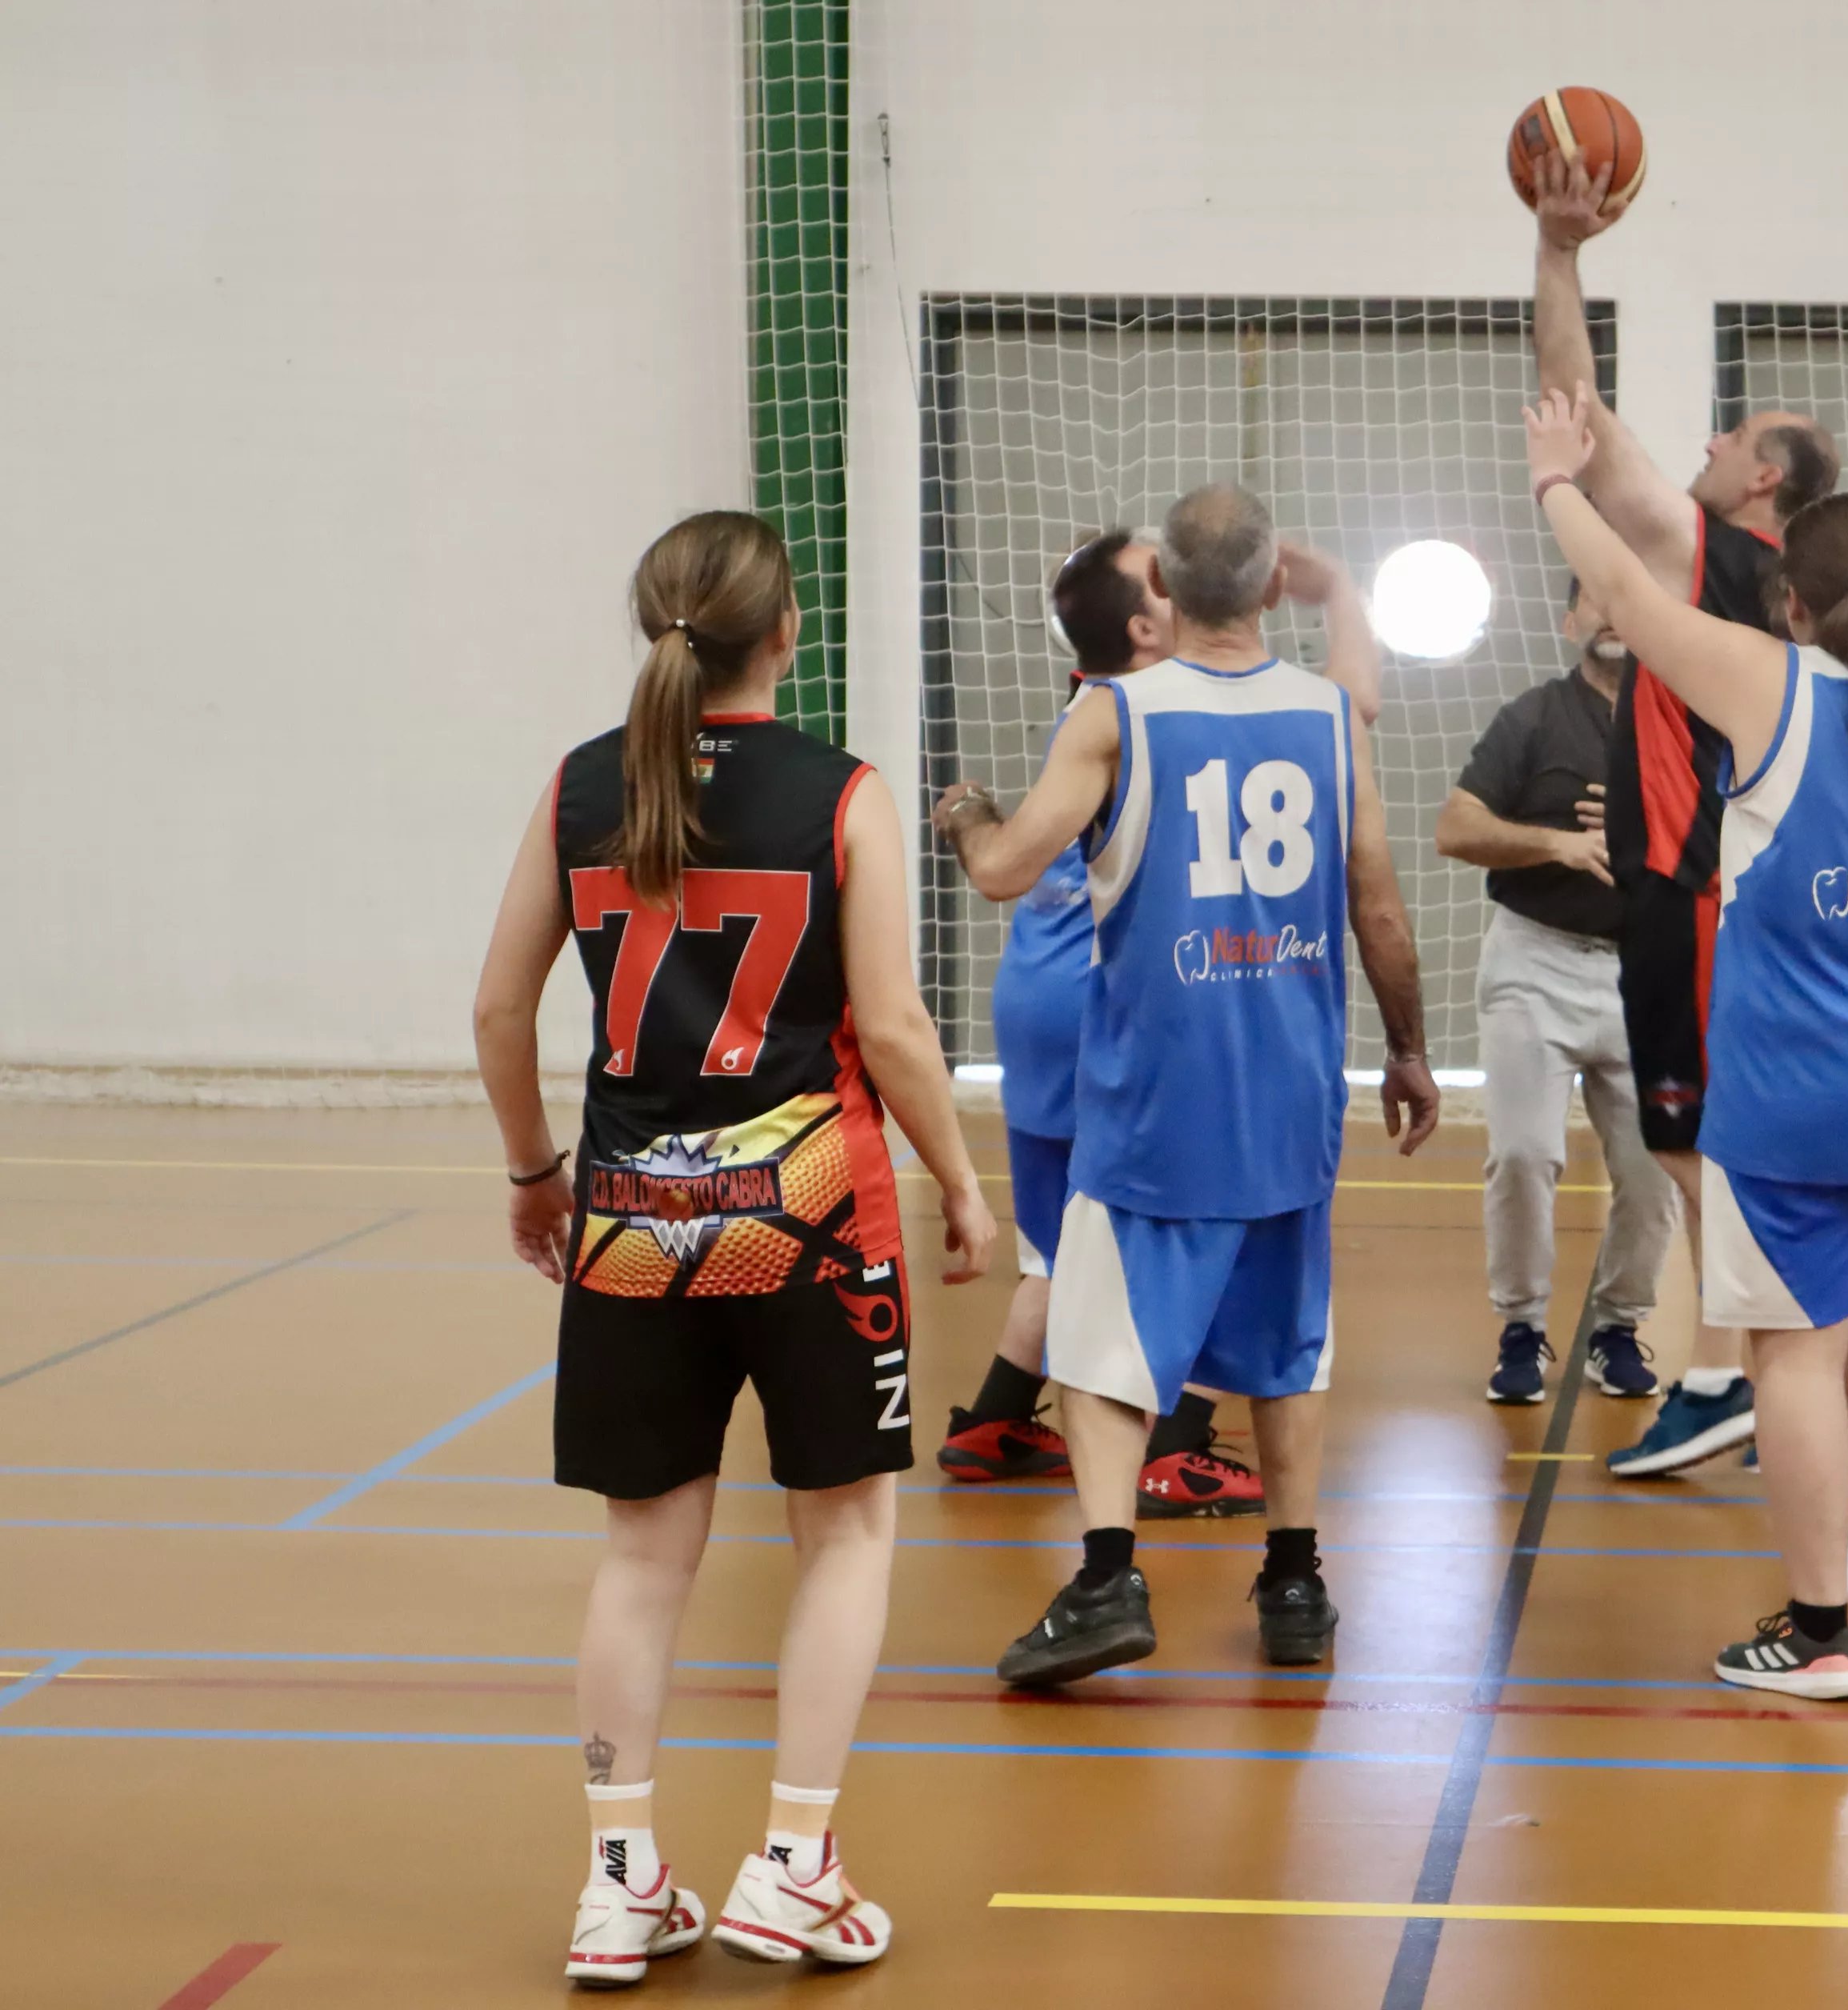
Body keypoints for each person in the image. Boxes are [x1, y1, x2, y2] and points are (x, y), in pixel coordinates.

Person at [474, 510, 995, 1982]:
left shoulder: (584, 784)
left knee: (643, 1552)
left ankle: (621, 1879)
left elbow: (498, 1011)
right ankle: (794, 1865)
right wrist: (959, 1178)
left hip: (630, 1228)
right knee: (843, 1532)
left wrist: (534, 1173)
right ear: (788, 633)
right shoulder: (843, 794)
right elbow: (888, 1027)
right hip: (814, 1222)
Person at [1525, 312, 1848, 1700]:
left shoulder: (1765, 687)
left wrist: (1557, 484)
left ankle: (1812, 1631)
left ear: (1785, 598)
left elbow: (1624, 598)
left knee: (1786, 1352)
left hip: (1798, 1092)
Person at [939, 483, 1439, 1684]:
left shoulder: (1117, 712)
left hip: (1159, 1096)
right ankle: (1297, 1581)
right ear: (1273, 587)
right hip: (1288, 1088)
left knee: (1104, 1350)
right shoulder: (1330, 715)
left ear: (1160, 587)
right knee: (1288, 1349)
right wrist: (1411, 1049)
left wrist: (967, 818)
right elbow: (1377, 901)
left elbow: (1008, 870)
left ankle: (1109, 1577)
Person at [1530, 146, 1842, 1477]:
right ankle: (1754, 1366)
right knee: (1696, 1140)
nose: (1711, 443)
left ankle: (1731, 1370)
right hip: (1719, 886)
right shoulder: (1773, 583)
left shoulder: (1720, 557)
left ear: (1766, 480)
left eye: (1733, 438)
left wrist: (1556, 252)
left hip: (1697, 884)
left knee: (1692, 1140)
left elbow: (1579, 419)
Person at [1436, 578, 1678, 1403]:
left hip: (1649, 970)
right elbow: (1455, 827)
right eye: (1594, 601)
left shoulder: (1688, 726)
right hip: (1534, 962)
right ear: (1572, 619)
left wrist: (1647, 833)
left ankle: (1619, 1325)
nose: (1611, 614)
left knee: (1656, 1169)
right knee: (1524, 1154)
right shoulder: (1533, 717)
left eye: (1625, 599)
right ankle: (1522, 1326)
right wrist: (1557, 846)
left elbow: (1733, 837)